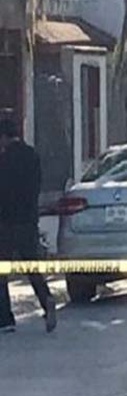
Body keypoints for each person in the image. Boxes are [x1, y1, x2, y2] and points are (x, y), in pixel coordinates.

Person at [0, 118, 57, 333]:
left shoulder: (4, 160)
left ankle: (5, 319)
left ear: (4, 137)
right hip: (28, 220)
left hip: (6, 222)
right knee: (32, 268)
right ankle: (47, 299)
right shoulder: (32, 156)